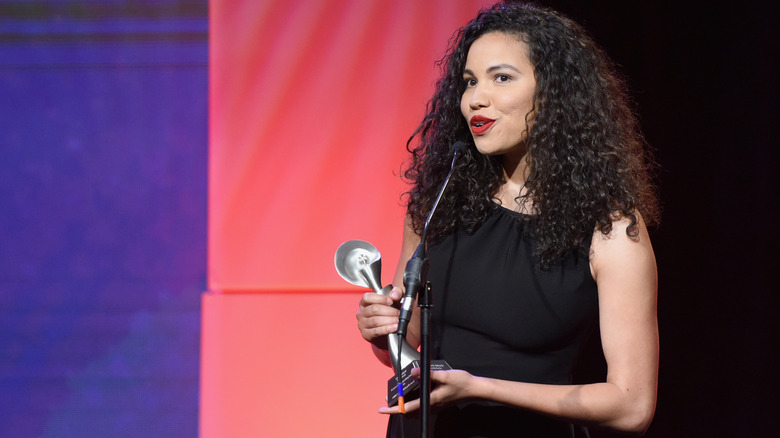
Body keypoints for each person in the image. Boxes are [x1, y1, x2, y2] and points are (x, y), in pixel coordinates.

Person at [357, 2, 660, 437]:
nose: (476, 98)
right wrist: (383, 331)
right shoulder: (440, 201)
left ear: (554, 92)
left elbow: (632, 405)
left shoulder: (609, 229)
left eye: (501, 78)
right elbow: (410, 347)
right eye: (469, 82)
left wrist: (482, 388)